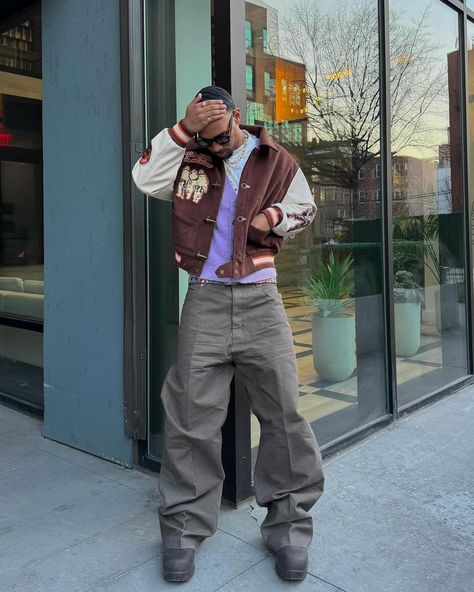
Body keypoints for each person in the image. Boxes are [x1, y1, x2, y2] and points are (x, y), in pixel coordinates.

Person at [132, 86, 325, 583]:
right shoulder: (188, 158)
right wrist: (183, 130)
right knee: (190, 413)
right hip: (205, 296)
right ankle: (183, 528)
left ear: (237, 117)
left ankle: (288, 529)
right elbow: (144, 178)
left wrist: (273, 218)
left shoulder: (275, 159)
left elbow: (306, 208)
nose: (213, 147)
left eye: (219, 136)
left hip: (262, 298)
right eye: (205, 137)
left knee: (284, 414)